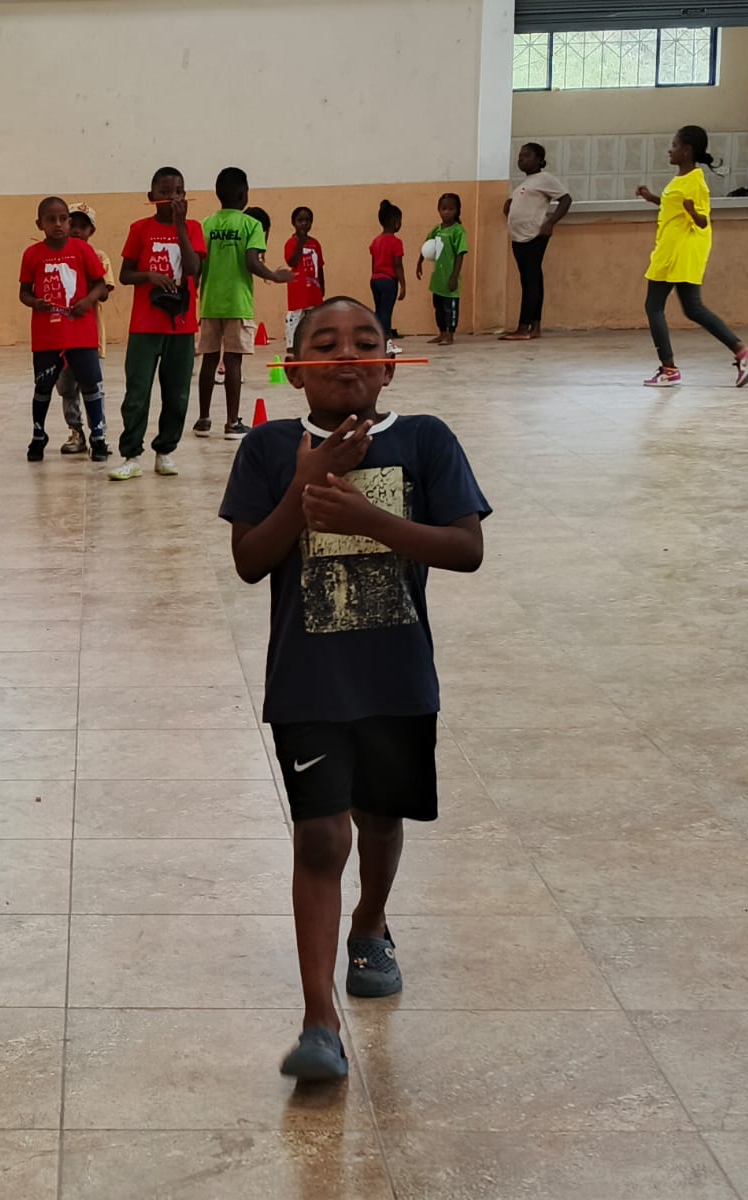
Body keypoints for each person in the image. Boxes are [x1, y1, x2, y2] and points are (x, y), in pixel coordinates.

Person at [220, 295, 489, 1082]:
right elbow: (250, 561)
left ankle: (370, 924)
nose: (346, 355)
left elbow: (466, 548)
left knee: (379, 817)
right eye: (326, 343)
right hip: (307, 684)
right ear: (295, 367)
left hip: (398, 679)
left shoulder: (425, 439)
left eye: (365, 341)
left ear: (389, 364)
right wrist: (303, 487)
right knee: (319, 838)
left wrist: (369, 520)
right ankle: (319, 1021)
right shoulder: (269, 448)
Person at [638, 125, 748, 388]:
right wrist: (651, 198)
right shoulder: (682, 179)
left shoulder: (696, 182)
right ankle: (742, 352)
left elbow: (703, 220)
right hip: (675, 249)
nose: (670, 150)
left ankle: (669, 369)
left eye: (674, 145)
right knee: (693, 308)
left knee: (654, 306)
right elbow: (674, 205)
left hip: (677, 251)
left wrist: (693, 212)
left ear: (687, 150)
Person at [110, 167, 206, 481]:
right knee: (137, 392)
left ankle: (165, 450)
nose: (172, 197)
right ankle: (131, 454)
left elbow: (193, 269)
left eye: (178, 191)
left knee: (177, 394)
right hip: (144, 325)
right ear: (151, 197)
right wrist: (149, 276)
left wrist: (180, 227)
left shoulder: (193, 228)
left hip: (181, 325)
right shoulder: (139, 229)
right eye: (164, 192)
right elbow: (125, 275)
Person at [195, 167, 292, 440]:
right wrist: (274, 276)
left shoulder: (206, 224)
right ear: (243, 194)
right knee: (233, 362)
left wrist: (193, 289)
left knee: (209, 361)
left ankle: (203, 420)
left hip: (210, 302)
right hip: (238, 303)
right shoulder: (252, 225)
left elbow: (198, 264)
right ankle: (231, 423)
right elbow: (251, 262)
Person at [20, 196, 111, 462]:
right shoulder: (32, 254)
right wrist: (34, 302)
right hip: (47, 336)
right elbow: (24, 292)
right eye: (51, 220)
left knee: (90, 384)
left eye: (62, 219)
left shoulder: (83, 251)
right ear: (40, 224)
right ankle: (39, 435)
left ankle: (98, 436)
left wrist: (88, 301)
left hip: (81, 334)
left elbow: (100, 284)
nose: (58, 224)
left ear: (68, 222)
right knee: (44, 386)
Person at [55, 203, 116, 456]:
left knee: (94, 386)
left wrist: (87, 293)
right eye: (73, 224)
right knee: (67, 388)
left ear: (92, 231)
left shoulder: (98, 257)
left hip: (90, 336)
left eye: (83, 226)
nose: (77, 230)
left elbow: (105, 291)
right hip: (61, 336)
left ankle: (98, 433)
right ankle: (75, 431)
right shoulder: (56, 256)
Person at [501, 143, 571, 341]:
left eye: (527, 155)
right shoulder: (525, 183)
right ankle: (535, 326)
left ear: (539, 160)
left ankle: (523, 328)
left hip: (533, 236)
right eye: (520, 155)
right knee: (533, 280)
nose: (521, 158)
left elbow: (566, 199)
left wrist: (550, 222)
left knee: (530, 281)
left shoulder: (545, 179)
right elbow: (513, 205)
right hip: (519, 237)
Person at [416, 193, 468, 346]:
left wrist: (454, 277)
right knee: (438, 307)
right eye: (444, 208)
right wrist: (419, 262)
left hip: (450, 277)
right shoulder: (437, 230)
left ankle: (450, 334)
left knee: (450, 307)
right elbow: (427, 246)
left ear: (457, 210)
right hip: (438, 278)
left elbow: (460, 254)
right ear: (438, 210)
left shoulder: (458, 231)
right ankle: (442, 332)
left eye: (451, 209)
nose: (447, 212)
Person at [283, 207, 325, 352]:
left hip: (313, 287)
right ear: (293, 223)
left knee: (313, 317)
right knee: (295, 316)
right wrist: (300, 244)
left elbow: (320, 266)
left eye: (307, 220)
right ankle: (291, 344)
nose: (304, 223)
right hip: (298, 288)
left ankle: (311, 343)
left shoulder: (315, 244)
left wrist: (322, 286)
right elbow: (292, 262)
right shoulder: (291, 243)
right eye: (300, 220)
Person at [368, 201, 407, 357]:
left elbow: (373, 263)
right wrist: (403, 285)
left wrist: (375, 277)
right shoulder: (396, 242)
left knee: (379, 311)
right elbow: (398, 265)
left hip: (375, 280)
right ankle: (387, 343)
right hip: (389, 281)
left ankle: (377, 341)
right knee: (386, 312)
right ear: (394, 221)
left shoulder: (375, 241)